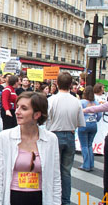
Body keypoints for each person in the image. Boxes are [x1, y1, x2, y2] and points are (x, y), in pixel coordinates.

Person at [0, 92, 61, 205]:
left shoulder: (51, 139)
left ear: (37, 114)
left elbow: (55, 178)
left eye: (24, 108)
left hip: (40, 197)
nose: (17, 112)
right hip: (13, 197)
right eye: (17, 107)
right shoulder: (4, 138)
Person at [46, 72, 85, 205]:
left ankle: (52, 199)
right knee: (66, 172)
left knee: (52, 170)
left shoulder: (51, 100)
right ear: (70, 85)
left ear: (57, 83)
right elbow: (80, 122)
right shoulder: (76, 101)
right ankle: (65, 201)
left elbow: (46, 120)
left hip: (54, 135)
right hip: (69, 135)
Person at [78, 86, 102, 172]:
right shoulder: (96, 102)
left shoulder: (81, 102)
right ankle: (91, 164)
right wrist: (96, 120)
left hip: (84, 124)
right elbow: (99, 115)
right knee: (89, 145)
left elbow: (78, 113)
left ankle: (86, 165)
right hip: (93, 124)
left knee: (84, 145)